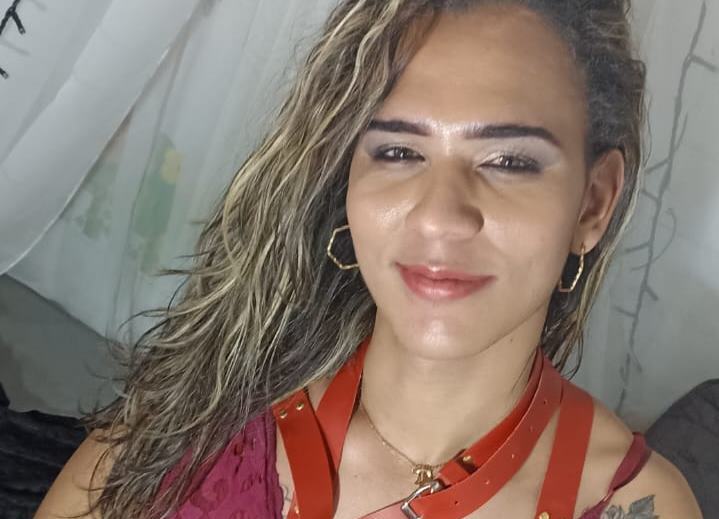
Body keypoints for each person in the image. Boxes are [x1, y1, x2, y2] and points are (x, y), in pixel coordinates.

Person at [34, 1, 705, 518]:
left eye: (509, 161)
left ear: (592, 204)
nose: (439, 215)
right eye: (398, 152)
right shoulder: (199, 415)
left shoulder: (633, 500)